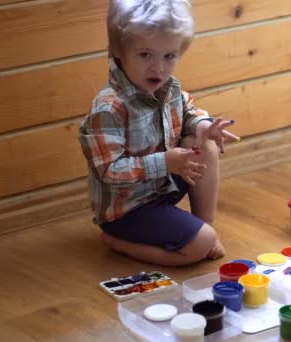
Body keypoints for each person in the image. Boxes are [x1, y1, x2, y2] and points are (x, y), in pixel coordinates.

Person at [78, 0, 238, 266]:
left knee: (205, 144)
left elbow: (189, 113)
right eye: (145, 55)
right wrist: (165, 162)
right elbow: (108, 172)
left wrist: (203, 127)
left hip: (161, 190)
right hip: (126, 210)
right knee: (199, 245)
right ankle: (119, 243)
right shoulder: (109, 108)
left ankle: (207, 226)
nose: (158, 68)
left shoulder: (169, 88)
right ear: (119, 50)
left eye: (169, 56)